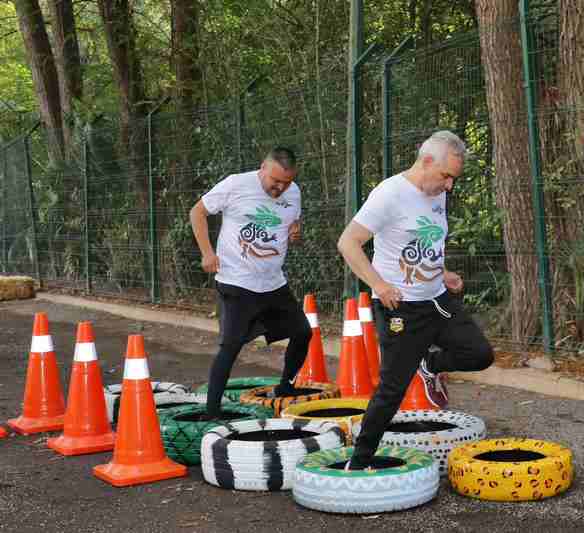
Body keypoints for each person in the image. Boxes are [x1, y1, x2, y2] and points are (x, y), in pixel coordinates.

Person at [337, 130, 494, 469]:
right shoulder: (389, 194)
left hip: (437, 299)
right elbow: (348, 243)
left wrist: (443, 272)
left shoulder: (436, 192)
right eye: (446, 176)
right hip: (400, 308)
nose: (449, 186)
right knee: (391, 390)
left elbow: (425, 243)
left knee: (480, 354)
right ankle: (359, 460)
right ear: (426, 162)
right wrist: (378, 285)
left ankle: (430, 365)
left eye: (453, 178)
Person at [189, 147, 311, 418]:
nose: (280, 188)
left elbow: (293, 223)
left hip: (273, 283)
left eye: (286, 182)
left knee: (303, 332)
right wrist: (207, 252)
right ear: (263, 168)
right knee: (230, 346)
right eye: (275, 181)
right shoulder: (236, 184)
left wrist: (295, 232)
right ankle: (212, 412)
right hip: (237, 281)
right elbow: (197, 212)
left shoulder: (294, 193)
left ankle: (286, 388)